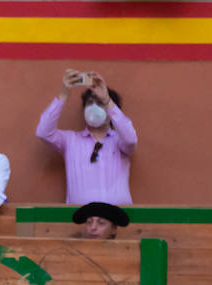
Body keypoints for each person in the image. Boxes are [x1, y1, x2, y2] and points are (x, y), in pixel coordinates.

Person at [36, 69, 137, 205]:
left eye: (99, 103)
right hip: (81, 220)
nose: (94, 107)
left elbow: (131, 139)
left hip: (117, 219)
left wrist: (107, 100)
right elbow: (43, 132)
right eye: (89, 103)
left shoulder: (119, 140)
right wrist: (64, 93)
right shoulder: (70, 140)